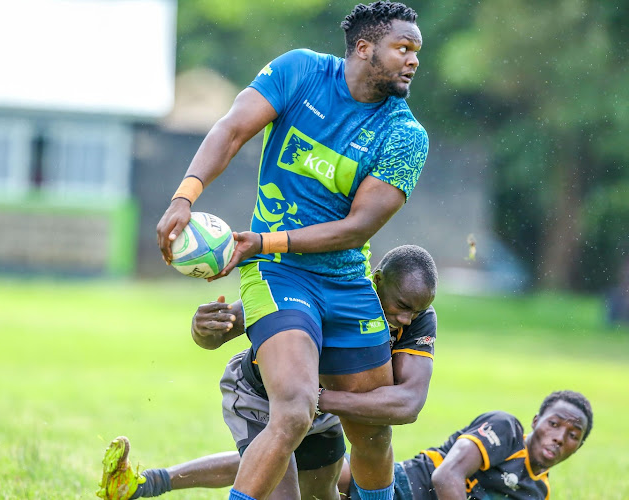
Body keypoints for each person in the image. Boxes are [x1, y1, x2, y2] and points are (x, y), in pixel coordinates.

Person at [154, 2, 427, 499]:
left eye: (417, 52)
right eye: (402, 48)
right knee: (296, 409)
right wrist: (183, 197)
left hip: (344, 280)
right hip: (277, 274)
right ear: (364, 48)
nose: (412, 60)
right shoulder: (299, 71)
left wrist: (258, 240)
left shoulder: (405, 135)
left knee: (373, 434)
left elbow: (355, 229)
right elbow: (231, 129)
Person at [97, 245, 438, 500]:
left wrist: (319, 400)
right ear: (377, 280)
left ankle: (146, 483)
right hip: (260, 395)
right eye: (403, 307)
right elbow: (221, 332)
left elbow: (408, 404)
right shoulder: (331, 291)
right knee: (278, 475)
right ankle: (150, 483)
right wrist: (202, 328)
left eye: (417, 310)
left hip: (325, 407)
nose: (408, 319)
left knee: (321, 492)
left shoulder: (417, 317)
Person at [98, 390, 592, 500]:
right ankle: (149, 483)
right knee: (282, 462)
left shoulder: (538, 492)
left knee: (285, 467)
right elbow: (445, 479)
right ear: (536, 421)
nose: (559, 438)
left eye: (573, 436)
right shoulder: (504, 429)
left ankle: (147, 484)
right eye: (555, 425)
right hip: (390, 485)